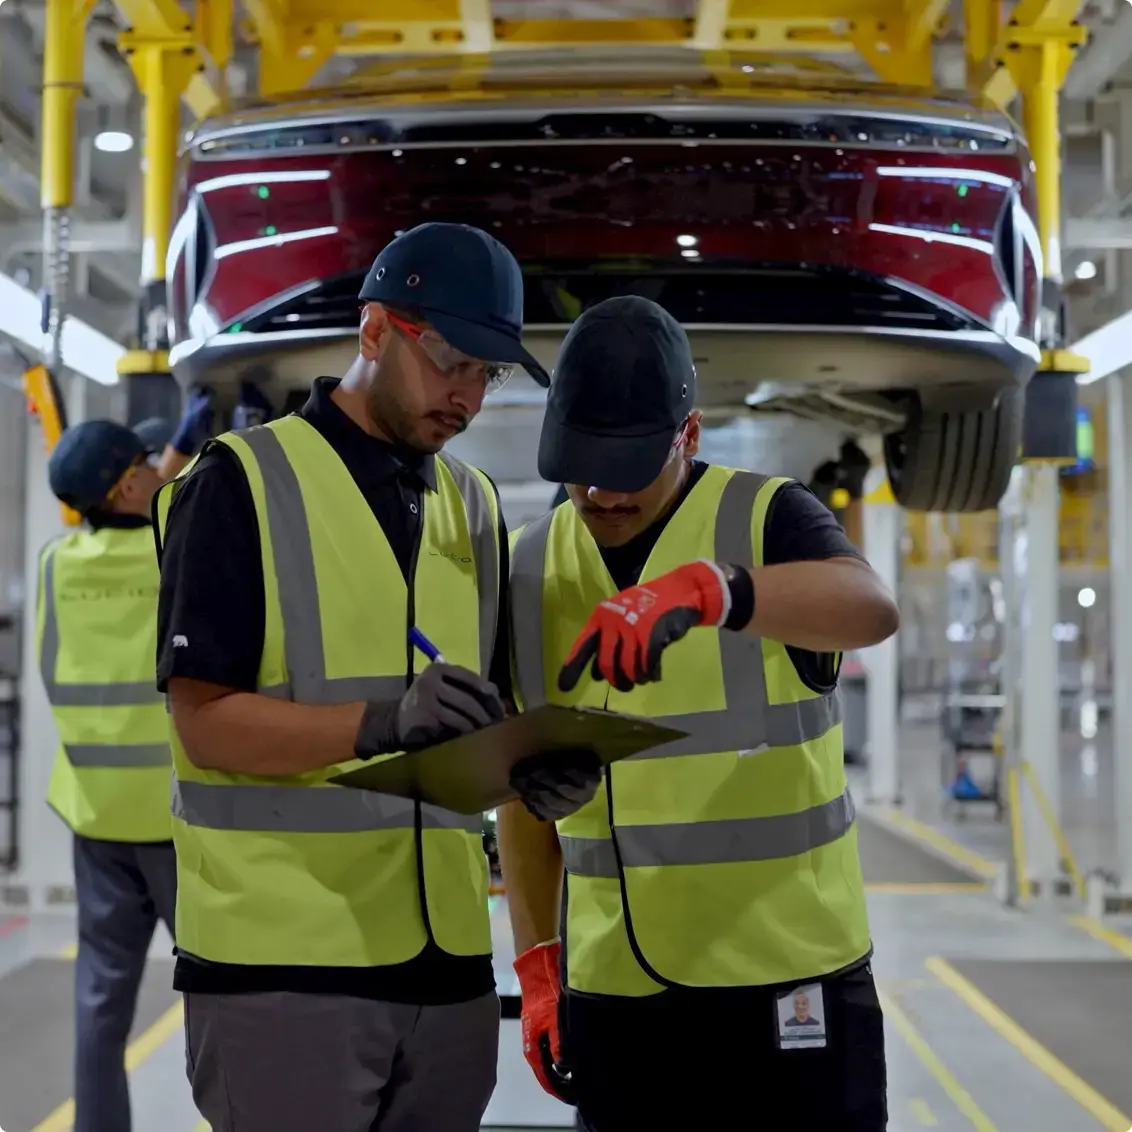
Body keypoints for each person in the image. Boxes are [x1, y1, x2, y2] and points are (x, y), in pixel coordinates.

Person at [152, 222, 599, 1132]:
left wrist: (529, 772)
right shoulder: (241, 483)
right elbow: (203, 723)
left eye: (488, 374)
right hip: (284, 969)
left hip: (443, 970)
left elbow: (474, 712)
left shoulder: (469, 503)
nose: (467, 396)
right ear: (374, 332)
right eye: (448, 361)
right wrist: (381, 722)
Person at [498, 295, 900, 1131]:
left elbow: (869, 608)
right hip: (617, 993)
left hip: (788, 979)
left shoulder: (765, 518)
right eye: (581, 464)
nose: (602, 491)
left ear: (690, 435)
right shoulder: (532, 564)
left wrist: (715, 590)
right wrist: (538, 964)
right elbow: (523, 791)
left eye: (629, 463)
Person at [37, 397, 212, 1132]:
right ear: (124, 489)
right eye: (143, 466)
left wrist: (173, 449)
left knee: (100, 997)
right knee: (217, 991)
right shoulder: (169, 548)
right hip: (176, 819)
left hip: (97, 813)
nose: (155, 470)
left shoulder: (57, 563)